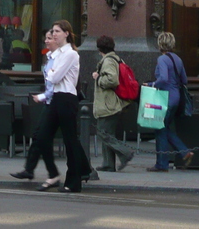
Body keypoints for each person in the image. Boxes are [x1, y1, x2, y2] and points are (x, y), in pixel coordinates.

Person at [12, 20, 92, 192]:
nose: (54, 34)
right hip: (57, 97)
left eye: (57, 31)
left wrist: (52, 72)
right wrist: (53, 72)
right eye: (53, 31)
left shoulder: (70, 54)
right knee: (41, 136)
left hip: (67, 98)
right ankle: (67, 172)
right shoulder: (58, 54)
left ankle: (74, 181)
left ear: (66, 34)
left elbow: (53, 78)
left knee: (70, 140)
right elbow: (52, 76)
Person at [145, 32, 193, 172]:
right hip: (176, 98)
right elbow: (184, 80)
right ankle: (184, 152)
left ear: (160, 44)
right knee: (164, 128)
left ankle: (162, 163)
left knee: (160, 129)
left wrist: (152, 84)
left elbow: (163, 79)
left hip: (164, 98)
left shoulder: (162, 59)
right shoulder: (178, 59)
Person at [91, 35, 134, 172]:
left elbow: (112, 80)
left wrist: (98, 78)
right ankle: (108, 164)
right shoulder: (116, 58)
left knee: (104, 133)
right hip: (112, 103)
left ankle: (126, 153)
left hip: (108, 104)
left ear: (99, 48)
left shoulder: (108, 61)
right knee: (106, 132)